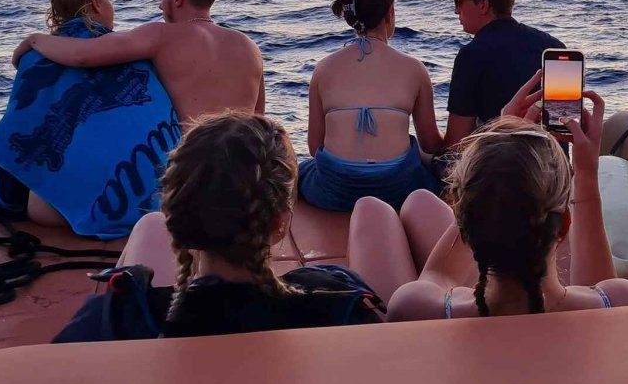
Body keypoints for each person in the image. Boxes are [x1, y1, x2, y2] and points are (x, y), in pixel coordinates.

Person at [54, 111, 385, 341]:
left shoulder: (121, 317)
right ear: (279, 223)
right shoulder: (338, 304)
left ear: (177, 213)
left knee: (146, 228)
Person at [349, 82, 628, 319]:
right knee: (418, 201)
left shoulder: (417, 308)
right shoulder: (620, 303)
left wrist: (498, 134)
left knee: (371, 208)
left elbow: (438, 275)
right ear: (564, 224)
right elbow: (597, 289)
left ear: (463, 222)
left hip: (471, 316)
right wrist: (585, 172)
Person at [0, 0, 179, 238]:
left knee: (37, 195)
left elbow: (18, 135)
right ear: (96, 4)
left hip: (54, 215)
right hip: (150, 204)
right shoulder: (133, 54)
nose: (111, 6)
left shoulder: (35, 59)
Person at [12, 0, 264, 124]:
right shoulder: (249, 46)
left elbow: (82, 55)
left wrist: (35, 40)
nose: (159, 3)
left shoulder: (161, 35)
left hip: (193, 169)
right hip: (248, 167)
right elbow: (259, 118)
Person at [298, 0, 444, 211]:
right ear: (390, 14)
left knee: (302, 171)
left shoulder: (324, 68)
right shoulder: (414, 68)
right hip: (397, 189)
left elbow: (315, 146)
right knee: (432, 167)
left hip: (336, 189)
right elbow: (430, 143)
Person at [443, 0, 563, 149]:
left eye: (458, 2)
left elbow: (456, 143)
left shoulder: (471, 55)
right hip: (554, 171)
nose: (456, 11)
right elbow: (565, 130)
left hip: (500, 171)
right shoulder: (555, 48)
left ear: (483, 5)